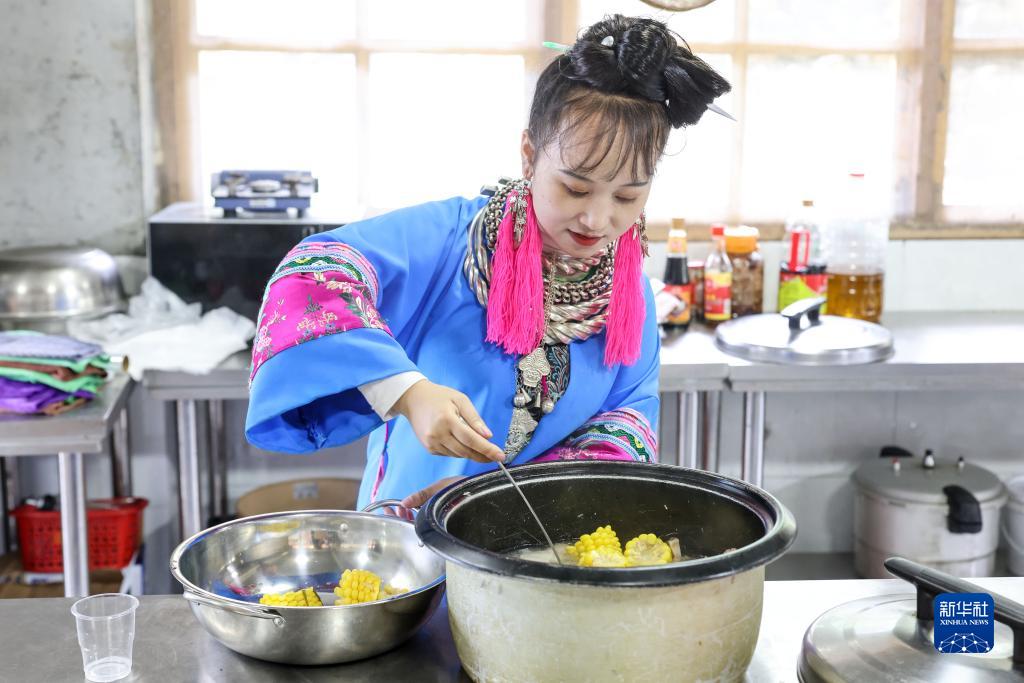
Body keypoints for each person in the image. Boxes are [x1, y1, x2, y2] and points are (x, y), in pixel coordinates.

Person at [244, 14, 731, 511]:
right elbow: (311, 277)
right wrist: (408, 392)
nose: (597, 219)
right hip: (411, 533)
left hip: (544, 541)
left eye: (628, 196)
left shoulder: (627, 294)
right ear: (529, 155)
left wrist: (490, 504)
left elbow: (625, 422)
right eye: (575, 188)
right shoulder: (447, 241)